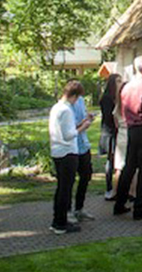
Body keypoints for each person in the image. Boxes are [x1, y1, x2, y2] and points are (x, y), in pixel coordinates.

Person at [113, 55, 142, 220]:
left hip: (131, 128)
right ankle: (139, 207)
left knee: (129, 167)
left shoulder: (126, 87)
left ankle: (119, 203)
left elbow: (123, 107)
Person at [49, 80, 93, 234]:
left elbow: (64, 129)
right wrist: (83, 127)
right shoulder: (66, 110)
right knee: (65, 189)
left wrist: (79, 123)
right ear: (73, 95)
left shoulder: (56, 108)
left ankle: (57, 220)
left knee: (61, 188)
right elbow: (69, 135)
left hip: (57, 151)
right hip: (67, 152)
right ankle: (61, 223)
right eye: (77, 97)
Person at [69, 78, 96, 223]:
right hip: (71, 148)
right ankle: (68, 210)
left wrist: (87, 119)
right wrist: (82, 126)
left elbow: (81, 121)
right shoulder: (66, 106)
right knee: (69, 180)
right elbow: (71, 129)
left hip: (83, 145)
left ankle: (79, 208)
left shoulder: (80, 101)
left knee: (86, 176)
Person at [98, 73, 123, 201]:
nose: (120, 83)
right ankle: (109, 187)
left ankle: (118, 188)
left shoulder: (118, 97)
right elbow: (108, 117)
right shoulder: (107, 98)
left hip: (117, 132)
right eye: (118, 81)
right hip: (109, 132)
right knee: (110, 160)